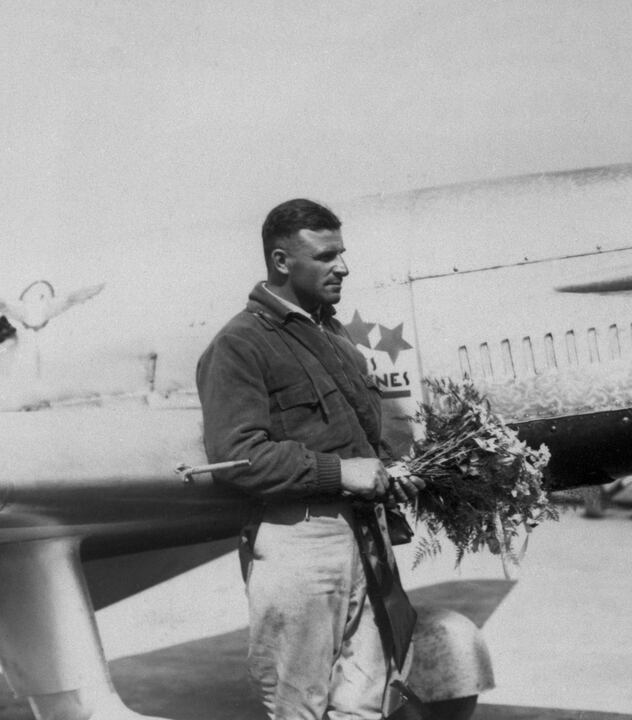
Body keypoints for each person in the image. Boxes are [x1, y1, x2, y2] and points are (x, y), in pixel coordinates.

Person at [196, 199, 424, 719]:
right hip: (298, 540)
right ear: (281, 261)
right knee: (298, 703)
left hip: (363, 534)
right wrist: (341, 472)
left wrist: (391, 474)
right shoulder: (240, 343)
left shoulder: (334, 335)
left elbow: (358, 435)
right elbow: (237, 456)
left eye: (341, 253)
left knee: (365, 700)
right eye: (325, 256)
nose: (343, 267)